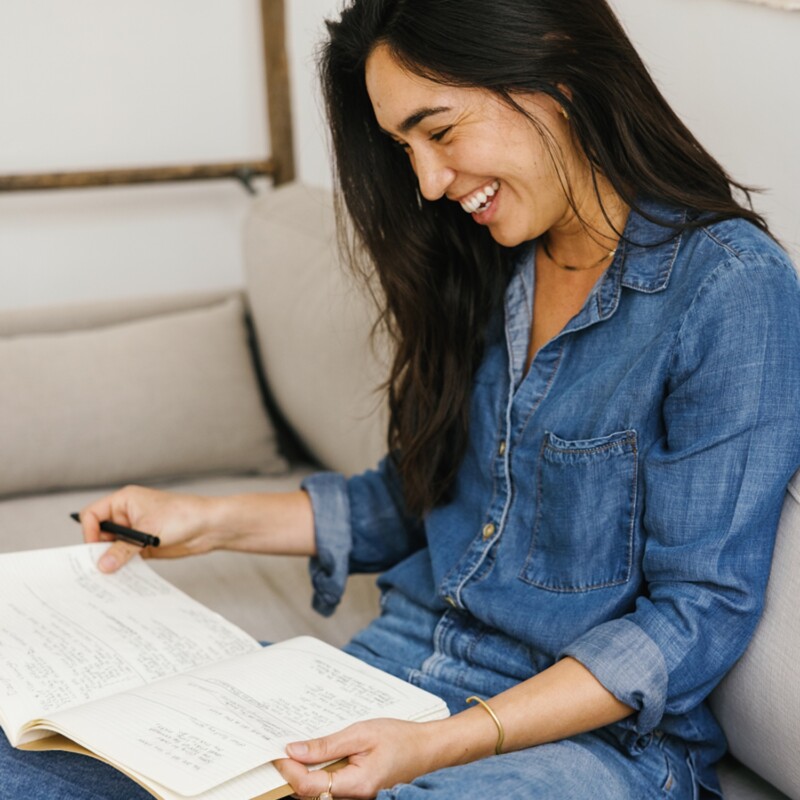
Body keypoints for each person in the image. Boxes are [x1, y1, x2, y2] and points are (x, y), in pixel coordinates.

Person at [3, 0, 800, 797]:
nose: (426, 182)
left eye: (441, 131)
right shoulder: (490, 262)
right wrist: (207, 520)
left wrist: (444, 744)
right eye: (403, 147)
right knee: (36, 752)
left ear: (556, 71)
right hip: (393, 678)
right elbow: (413, 499)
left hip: (588, 747)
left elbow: (697, 614)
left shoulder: (727, 288)